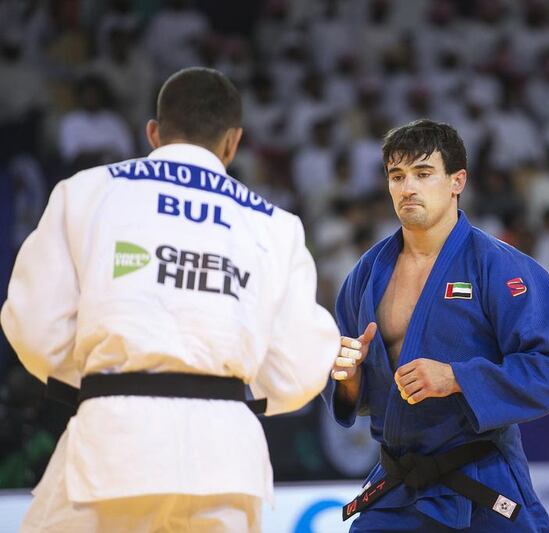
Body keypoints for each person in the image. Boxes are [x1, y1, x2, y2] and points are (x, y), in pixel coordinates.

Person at [0, 67, 340, 532]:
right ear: (232, 142)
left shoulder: (87, 192)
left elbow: (33, 323)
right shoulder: (275, 225)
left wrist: (105, 374)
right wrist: (233, 393)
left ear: (155, 133)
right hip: (227, 457)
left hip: (113, 441)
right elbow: (298, 366)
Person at [323, 119, 549, 532]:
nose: (408, 188)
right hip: (398, 483)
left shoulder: (500, 267)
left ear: (457, 181)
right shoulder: (367, 274)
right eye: (397, 176)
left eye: (423, 174)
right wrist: (349, 380)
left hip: (481, 479)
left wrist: (458, 377)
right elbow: (354, 389)